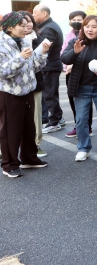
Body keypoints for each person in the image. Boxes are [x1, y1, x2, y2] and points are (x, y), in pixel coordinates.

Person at [0, 12, 51, 178]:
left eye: (26, 24)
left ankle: (29, 158)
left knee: (29, 128)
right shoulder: (1, 44)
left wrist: (42, 53)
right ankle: (9, 165)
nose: (26, 28)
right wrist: (20, 58)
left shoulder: (23, 42)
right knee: (10, 131)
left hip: (27, 91)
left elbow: (34, 67)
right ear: (10, 27)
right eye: (21, 25)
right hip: (9, 93)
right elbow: (3, 72)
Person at [61, 15, 97, 161]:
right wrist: (75, 52)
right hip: (81, 88)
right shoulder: (75, 41)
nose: (90, 29)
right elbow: (64, 59)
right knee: (81, 119)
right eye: (87, 26)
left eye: (94, 27)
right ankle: (83, 148)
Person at [33, 3, 64, 134]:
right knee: (49, 95)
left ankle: (55, 122)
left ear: (44, 14)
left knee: (50, 95)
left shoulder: (48, 29)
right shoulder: (48, 26)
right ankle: (57, 119)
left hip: (49, 67)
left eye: (35, 12)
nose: (33, 15)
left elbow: (45, 51)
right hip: (50, 66)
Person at [61, 11, 93, 138]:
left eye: (79, 19)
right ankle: (78, 125)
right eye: (73, 19)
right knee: (73, 101)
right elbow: (64, 53)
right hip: (70, 72)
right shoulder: (69, 35)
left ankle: (87, 127)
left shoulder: (89, 35)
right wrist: (66, 66)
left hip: (83, 72)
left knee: (85, 102)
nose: (76, 22)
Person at [20, 11, 46, 158]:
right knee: (10, 116)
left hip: (35, 82)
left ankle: (36, 145)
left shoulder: (40, 40)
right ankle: (4, 148)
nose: (27, 25)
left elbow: (40, 64)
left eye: (30, 21)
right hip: (14, 85)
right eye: (23, 22)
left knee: (36, 116)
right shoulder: (10, 41)